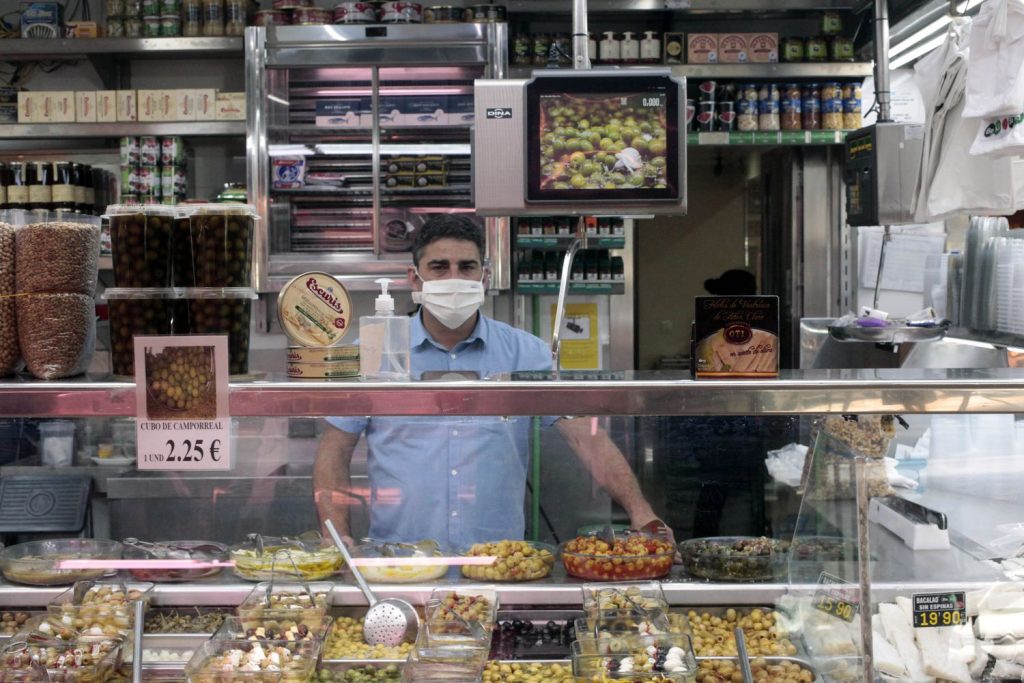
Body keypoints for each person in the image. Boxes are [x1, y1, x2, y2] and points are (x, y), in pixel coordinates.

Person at [313, 214, 667, 549]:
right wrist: (335, 534)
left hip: (499, 559)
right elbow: (335, 448)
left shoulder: (525, 352)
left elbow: (586, 438)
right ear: (414, 278)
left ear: (484, 277)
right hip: (400, 558)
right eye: (439, 267)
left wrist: (641, 513)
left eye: (466, 267)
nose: (454, 278)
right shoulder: (376, 349)